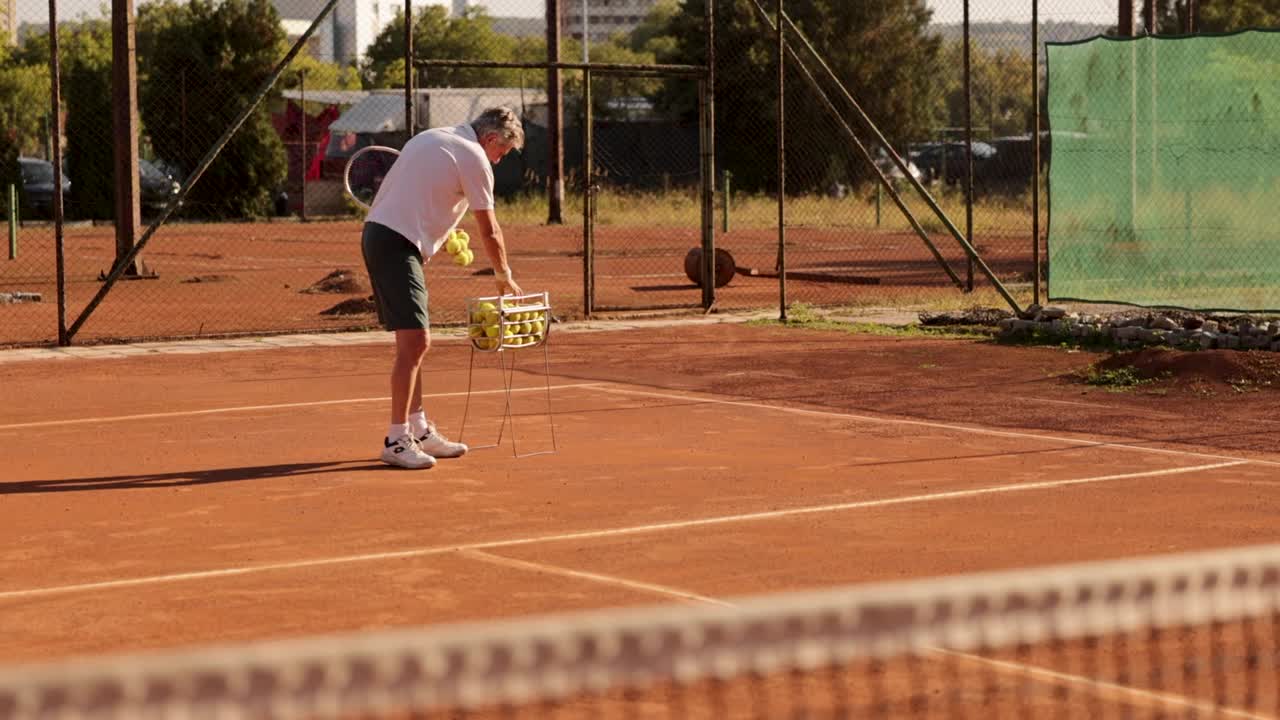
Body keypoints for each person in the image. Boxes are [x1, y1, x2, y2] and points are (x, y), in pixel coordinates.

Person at [361, 107, 524, 469]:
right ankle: (396, 439)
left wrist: (444, 232)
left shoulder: (434, 137)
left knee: (412, 342)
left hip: (385, 236)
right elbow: (490, 229)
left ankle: (417, 429)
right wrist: (503, 275)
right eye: (502, 153)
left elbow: (420, 195)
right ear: (492, 139)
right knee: (417, 341)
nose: (497, 161)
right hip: (394, 243)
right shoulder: (475, 157)